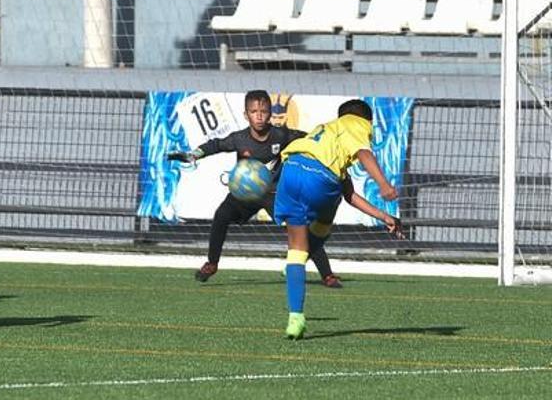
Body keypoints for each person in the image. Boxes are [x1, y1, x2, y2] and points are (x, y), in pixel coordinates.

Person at [167, 90, 342, 287]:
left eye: (264, 111)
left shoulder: (282, 135)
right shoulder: (239, 139)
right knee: (221, 216)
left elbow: (309, 139)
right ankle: (212, 263)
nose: (259, 116)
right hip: (245, 193)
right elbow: (216, 145)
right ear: (246, 115)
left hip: (274, 193)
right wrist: (194, 155)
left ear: (270, 114)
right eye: (253, 111)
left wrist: (331, 143)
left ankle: (327, 275)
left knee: (300, 226)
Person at [274, 99, 402, 340]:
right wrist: (383, 184)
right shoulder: (356, 123)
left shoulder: (326, 132)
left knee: (296, 252)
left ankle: (295, 317)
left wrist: (384, 217)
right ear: (367, 121)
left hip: (291, 169)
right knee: (327, 211)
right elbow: (364, 154)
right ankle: (306, 255)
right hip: (320, 178)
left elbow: (350, 195)